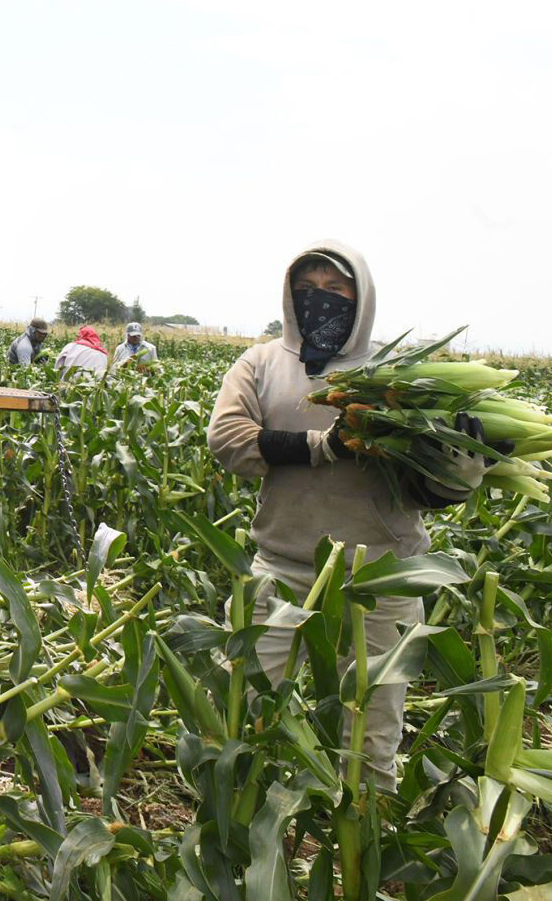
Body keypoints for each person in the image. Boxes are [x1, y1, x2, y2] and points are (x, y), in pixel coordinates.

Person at [207, 241, 489, 787]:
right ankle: (242, 834)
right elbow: (229, 441)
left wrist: (462, 473)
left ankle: (364, 846)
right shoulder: (261, 363)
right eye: (307, 289)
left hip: (380, 576)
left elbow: (428, 485)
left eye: (335, 289)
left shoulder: (397, 372)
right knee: (240, 713)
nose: (320, 300)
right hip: (283, 567)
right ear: (290, 297)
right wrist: (324, 445)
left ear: (361, 296)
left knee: (369, 734)